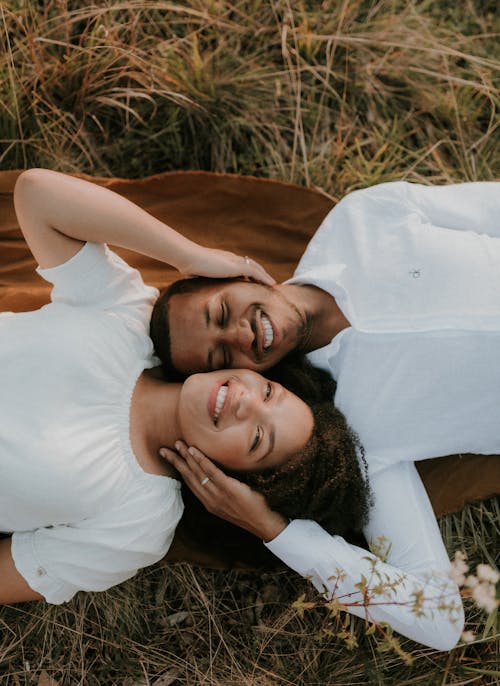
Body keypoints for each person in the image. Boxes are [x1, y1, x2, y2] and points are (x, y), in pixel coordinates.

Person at [155, 179, 500, 650]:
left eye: (219, 311)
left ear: (234, 275)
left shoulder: (361, 219)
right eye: (219, 359)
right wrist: (274, 531)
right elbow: (438, 618)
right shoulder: (354, 433)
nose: (238, 334)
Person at [0, 168, 368, 606]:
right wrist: (189, 256)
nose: (245, 403)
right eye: (269, 393)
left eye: (256, 438)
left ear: (234, 477)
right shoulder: (128, 318)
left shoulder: (141, 522)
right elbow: (38, 193)